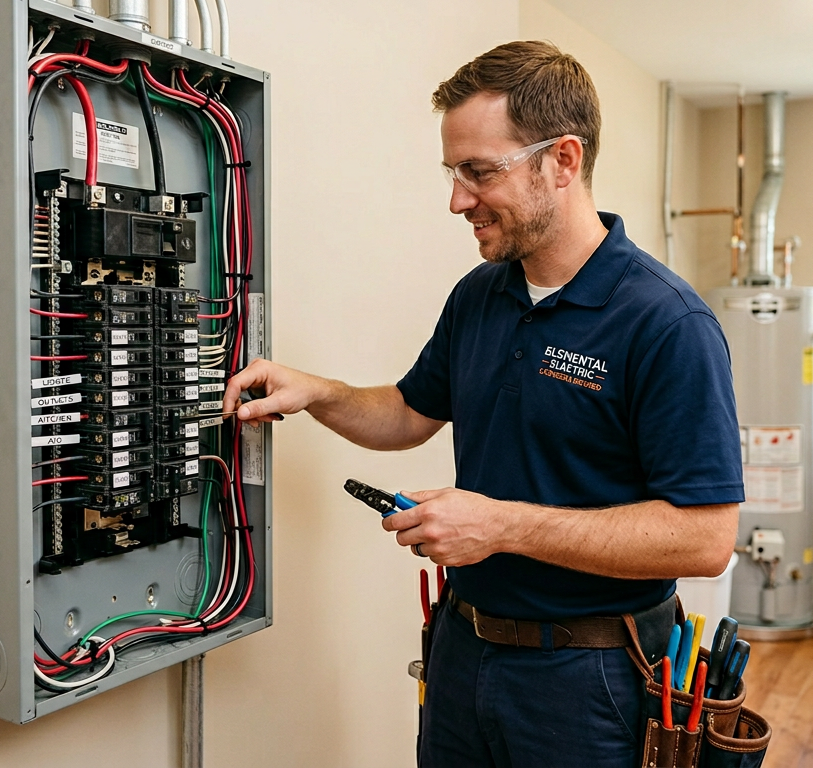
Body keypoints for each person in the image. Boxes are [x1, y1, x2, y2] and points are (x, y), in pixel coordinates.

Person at [224, 40, 743, 768]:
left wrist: (501, 525)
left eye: (479, 171)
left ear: (562, 161)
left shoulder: (666, 324)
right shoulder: (480, 295)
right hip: (464, 650)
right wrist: (321, 394)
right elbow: (409, 412)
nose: (458, 199)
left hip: (590, 678)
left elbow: (705, 539)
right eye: (454, 172)